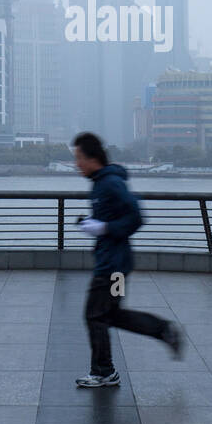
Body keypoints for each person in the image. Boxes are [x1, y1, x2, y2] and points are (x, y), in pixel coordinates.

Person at [71, 132, 182, 388]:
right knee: (112, 314)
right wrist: (94, 226)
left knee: (95, 316)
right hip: (116, 266)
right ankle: (163, 330)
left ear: (92, 158)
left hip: (112, 268)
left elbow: (136, 215)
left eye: (78, 158)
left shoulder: (109, 183)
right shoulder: (100, 182)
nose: (76, 164)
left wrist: (105, 228)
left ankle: (103, 371)